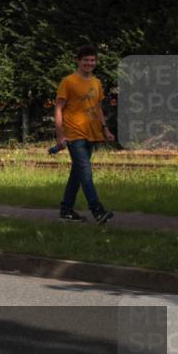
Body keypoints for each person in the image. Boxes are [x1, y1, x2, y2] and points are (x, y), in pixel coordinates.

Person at [54, 45, 115, 224]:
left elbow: (98, 108)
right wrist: (60, 134)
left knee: (77, 173)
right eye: (86, 60)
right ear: (78, 61)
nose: (89, 63)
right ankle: (98, 211)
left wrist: (105, 128)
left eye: (92, 60)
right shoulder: (68, 82)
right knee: (86, 173)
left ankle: (66, 211)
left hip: (92, 133)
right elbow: (58, 108)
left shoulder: (96, 82)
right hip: (74, 134)